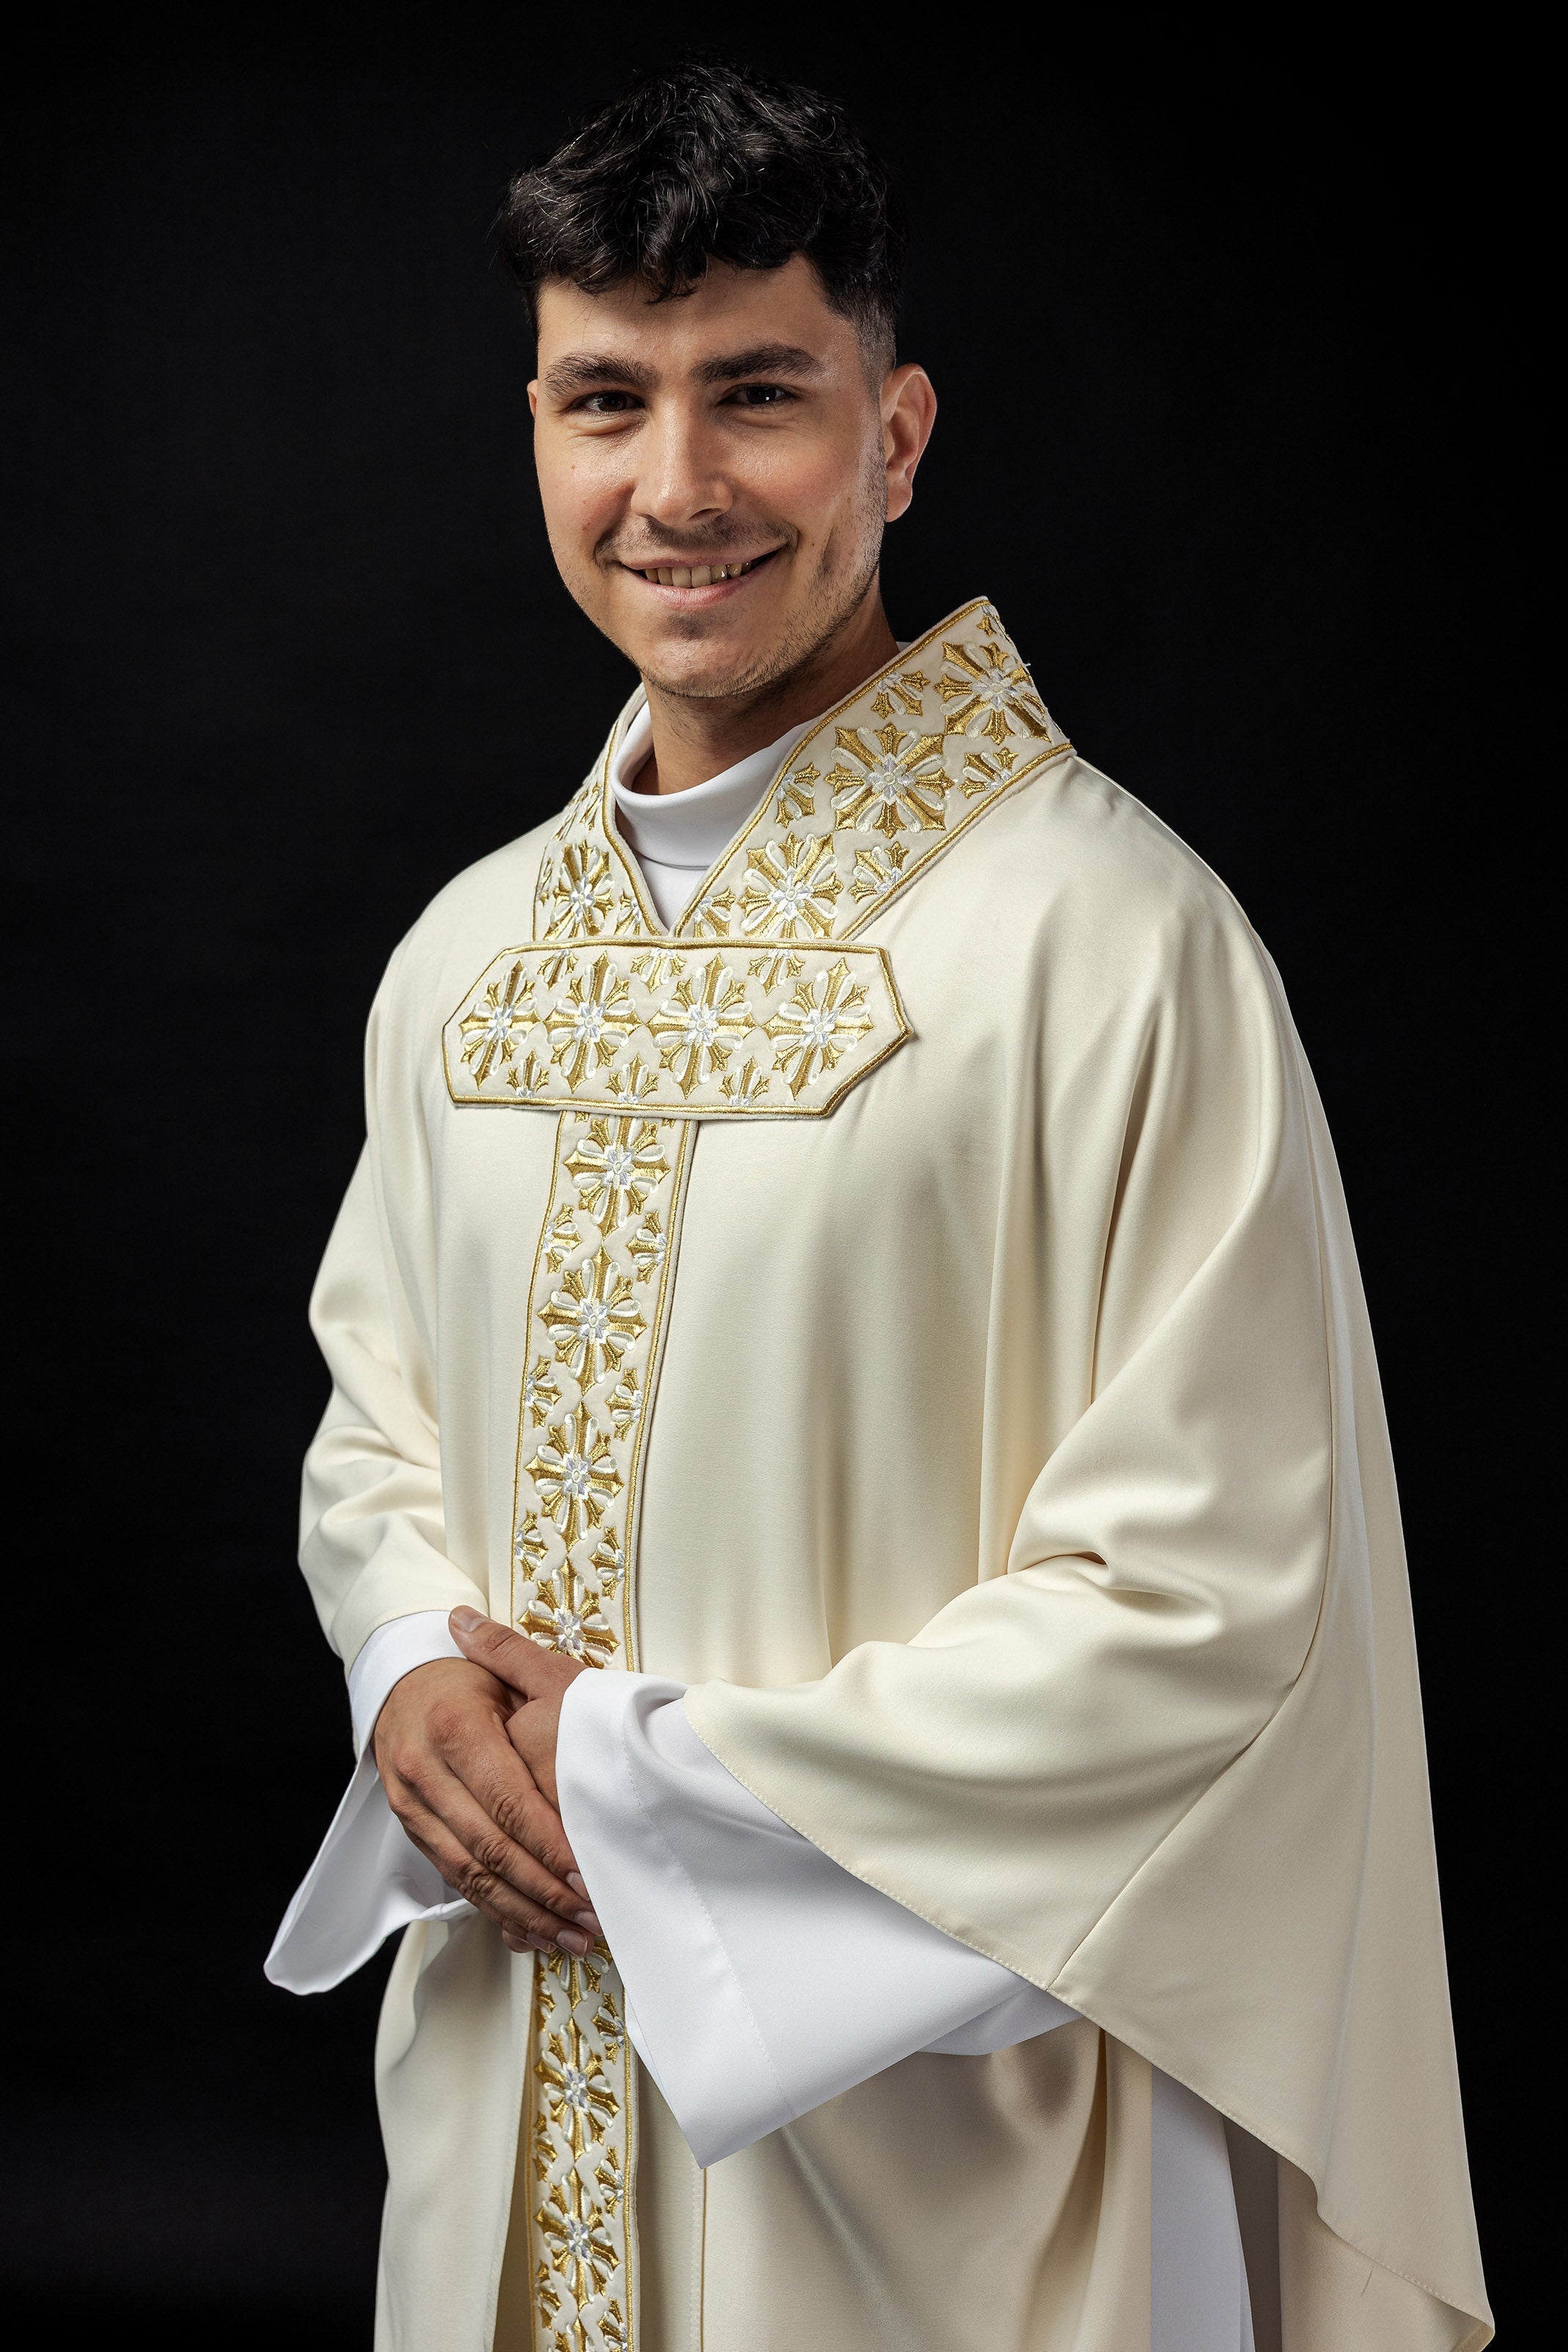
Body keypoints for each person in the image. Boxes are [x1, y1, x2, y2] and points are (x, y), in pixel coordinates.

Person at [266, 56, 1491, 2352]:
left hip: (947, 2144)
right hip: (524, 2082)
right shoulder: (465, 959)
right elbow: (377, 1429)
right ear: (532, 429)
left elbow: (1209, 1607)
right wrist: (412, 1657)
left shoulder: (1110, 950)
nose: (674, 488)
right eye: (599, 402)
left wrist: (634, 1784)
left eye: (760, 396)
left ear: (897, 436)